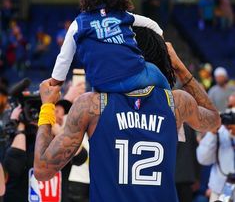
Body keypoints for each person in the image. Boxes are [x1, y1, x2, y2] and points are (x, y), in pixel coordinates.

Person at [34, 27, 220, 202]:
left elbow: (42, 170)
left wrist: (47, 106)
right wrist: (179, 67)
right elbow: (214, 121)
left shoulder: (92, 104)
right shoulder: (177, 102)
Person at [51, 0, 170, 92]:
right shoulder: (122, 15)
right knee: (160, 76)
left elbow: (64, 59)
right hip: (135, 77)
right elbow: (153, 25)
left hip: (102, 84)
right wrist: (161, 43)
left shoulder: (79, 23)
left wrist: (55, 81)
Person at [197, 93, 235, 201]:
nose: (232, 111)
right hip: (220, 191)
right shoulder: (220, 130)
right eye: (230, 106)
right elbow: (203, 159)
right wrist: (212, 133)